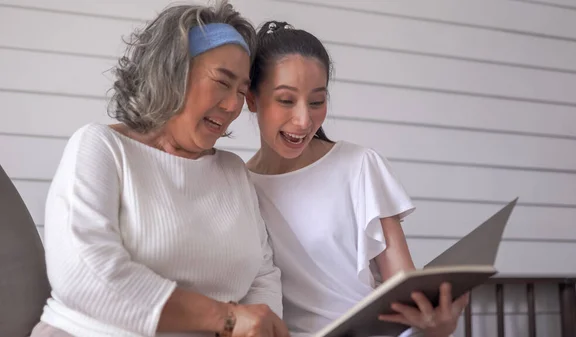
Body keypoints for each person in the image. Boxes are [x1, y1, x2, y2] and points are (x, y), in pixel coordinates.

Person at [30, 3, 289, 337]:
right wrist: (226, 319)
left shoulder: (232, 171)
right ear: (171, 71)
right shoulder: (102, 147)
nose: (233, 105)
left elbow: (262, 276)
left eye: (241, 91)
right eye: (222, 82)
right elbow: (82, 273)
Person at [244, 21, 469, 337]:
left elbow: (402, 290)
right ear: (251, 99)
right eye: (285, 100)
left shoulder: (359, 165)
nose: (304, 119)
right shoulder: (239, 185)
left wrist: (437, 327)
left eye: (317, 101)